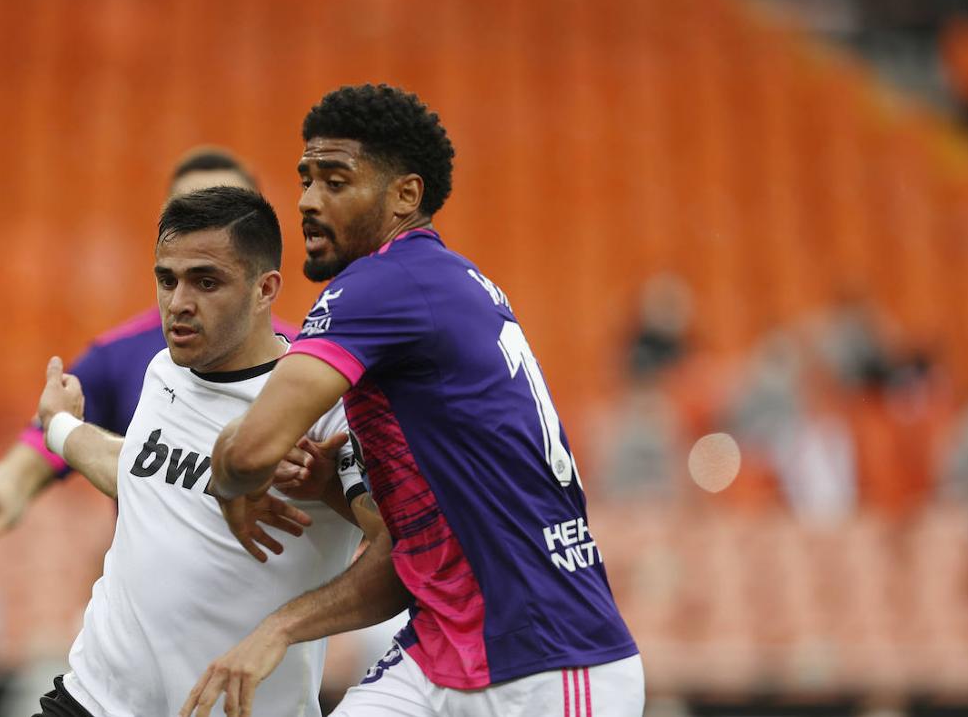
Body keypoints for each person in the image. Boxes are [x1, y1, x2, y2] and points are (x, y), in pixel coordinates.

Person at [183, 84, 644, 717]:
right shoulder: (443, 282)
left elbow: (252, 448)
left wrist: (232, 478)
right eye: (306, 180)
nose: (309, 203)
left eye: (336, 182)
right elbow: (413, 554)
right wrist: (326, 498)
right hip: (441, 650)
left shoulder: (384, 284)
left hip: (546, 658)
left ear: (405, 195)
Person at [29, 186, 382, 717]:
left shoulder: (327, 409)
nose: (178, 303)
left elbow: (405, 555)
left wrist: (330, 490)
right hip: (91, 702)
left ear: (265, 289)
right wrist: (58, 426)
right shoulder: (162, 371)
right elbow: (140, 473)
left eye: (206, 281)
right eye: (166, 280)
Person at [0, 148, 298, 543]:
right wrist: (2, 490)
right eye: (188, 212)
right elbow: (54, 428)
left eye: (223, 211)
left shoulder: (314, 365)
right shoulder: (121, 357)